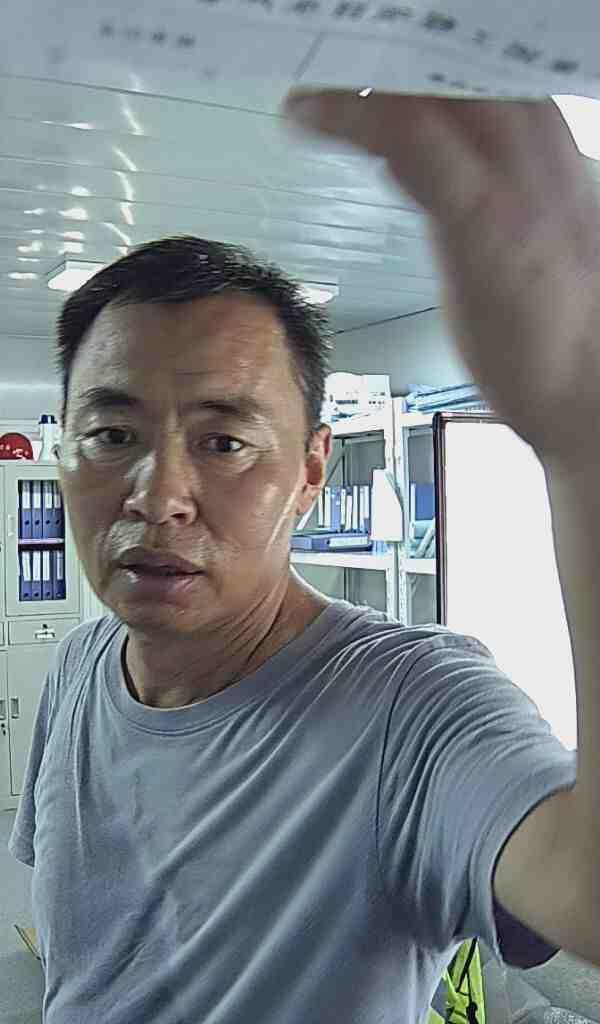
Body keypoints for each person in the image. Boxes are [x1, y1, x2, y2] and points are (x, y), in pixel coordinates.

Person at [8, 93, 600, 1023]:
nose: (159, 496)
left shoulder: (411, 707)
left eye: (224, 442)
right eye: (113, 434)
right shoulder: (82, 666)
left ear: (311, 471)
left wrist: (583, 438)